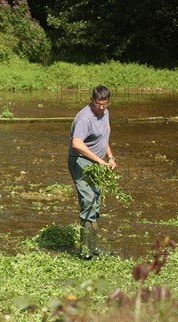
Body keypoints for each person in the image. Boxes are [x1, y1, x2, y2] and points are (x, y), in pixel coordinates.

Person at [67, 85, 116, 259]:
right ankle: (85, 251)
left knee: (96, 201)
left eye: (105, 104)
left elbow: (104, 137)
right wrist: (99, 160)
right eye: (98, 104)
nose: (101, 108)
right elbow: (77, 144)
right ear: (91, 100)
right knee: (88, 202)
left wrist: (110, 157)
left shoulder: (105, 113)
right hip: (81, 161)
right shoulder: (84, 118)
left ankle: (93, 247)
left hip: (97, 163)